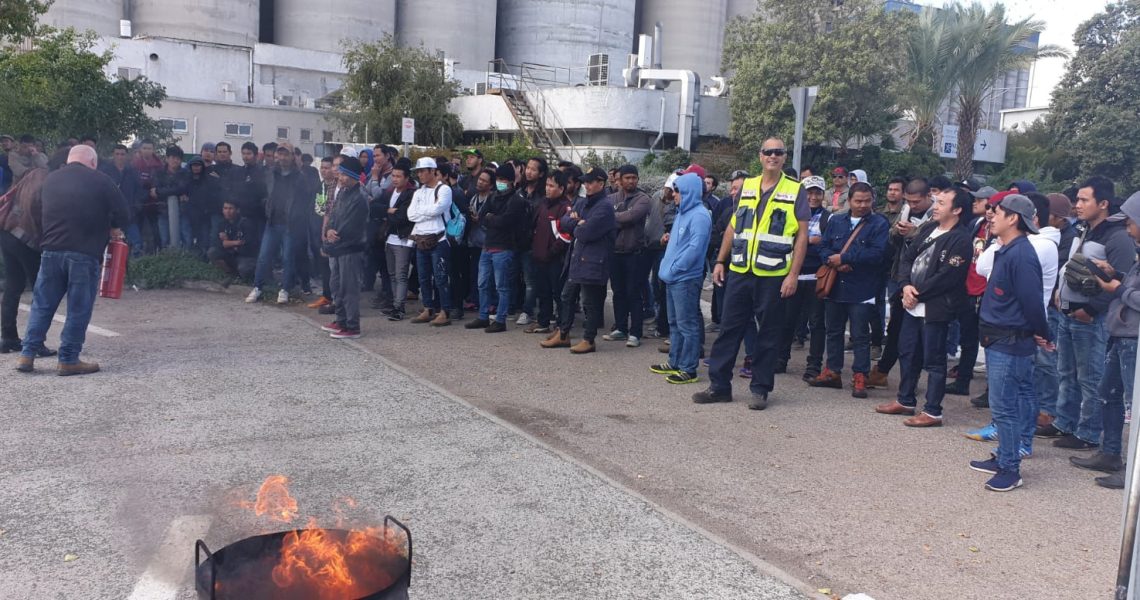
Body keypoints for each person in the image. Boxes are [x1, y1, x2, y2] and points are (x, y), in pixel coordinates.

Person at [693, 138, 809, 410]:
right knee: (728, 330)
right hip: (741, 270)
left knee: (768, 334)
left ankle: (760, 389)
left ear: (784, 157)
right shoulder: (748, 186)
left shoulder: (796, 189)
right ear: (760, 156)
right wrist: (720, 261)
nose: (773, 156)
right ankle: (719, 387)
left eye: (778, 152)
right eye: (768, 152)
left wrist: (793, 275)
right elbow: (734, 227)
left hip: (773, 273)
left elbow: (802, 236)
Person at [967, 194, 1054, 492]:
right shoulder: (1008, 249)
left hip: (1010, 340)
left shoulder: (1022, 254)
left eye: (998, 212)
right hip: (1000, 337)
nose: (991, 216)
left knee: (1005, 407)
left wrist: (1042, 332)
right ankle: (1004, 457)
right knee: (1005, 404)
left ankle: (1010, 468)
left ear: (1013, 218)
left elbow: (1032, 301)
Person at [1040, 176, 1134, 450]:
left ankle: (1088, 433)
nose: (1077, 205)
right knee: (1066, 372)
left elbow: (1121, 282)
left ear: (1103, 203)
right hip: (1068, 314)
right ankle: (1064, 422)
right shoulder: (1083, 229)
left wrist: (1091, 310)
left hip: (1093, 320)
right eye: (1077, 199)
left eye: (1084, 200)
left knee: (1090, 377)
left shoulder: (1117, 237)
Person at [15, 145, 128, 375]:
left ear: (69, 159)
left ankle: (27, 355)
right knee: (78, 307)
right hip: (84, 254)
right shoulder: (101, 180)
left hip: (51, 251)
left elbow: (34, 210)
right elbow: (123, 213)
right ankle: (68, 359)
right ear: (93, 162)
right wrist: (113, 226)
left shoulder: (50, 180)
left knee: (42, 305)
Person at [874, 187, 972, 427]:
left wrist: (917, 293)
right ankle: (905, 399)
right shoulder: (929, 228)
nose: (935, 207)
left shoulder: (961, 239)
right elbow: (908, 257)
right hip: (911, 304)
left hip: (935, 307)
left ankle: (932, 410)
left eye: (942, 203)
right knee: (908, 352)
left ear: (957, 209)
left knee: (934, 360)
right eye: (936, 202)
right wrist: (906, 286)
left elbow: (948, 276)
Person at [1069, 191, 1140, 488]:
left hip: (1133, 337)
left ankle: (1134, 471)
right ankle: (1110, 453)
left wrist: (1117, 288)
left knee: (1133, 405)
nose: (1127, 228)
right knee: (1108, 393)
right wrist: (1118, 275)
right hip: (1122, 334)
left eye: (1131, 221)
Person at [809, 182, 890, 397]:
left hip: (862, 288)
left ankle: (860, 375)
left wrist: (845, 258)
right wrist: (832, 260)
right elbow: (823, 246)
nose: (863, 205)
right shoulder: (836, 221)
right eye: (858, 201)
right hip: (835, 285)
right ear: (850, 201)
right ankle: (832, 372)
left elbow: (878, 254)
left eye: (867, 201)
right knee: (833, 331)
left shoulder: (879, 224)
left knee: (860, 335)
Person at [541, 167, 617, 354]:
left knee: (589, 302)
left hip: (593, 260)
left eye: (590, 182)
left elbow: (586, 233)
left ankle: (589, 339)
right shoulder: (583, 202)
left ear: (601, 183)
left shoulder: (605, 207)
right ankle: (563, 333)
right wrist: (577, 222)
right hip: (577, 257)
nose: (586, 185)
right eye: (585, 182)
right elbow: (564, 221)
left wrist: (577, 224)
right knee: (566, 296)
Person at [868, 178, 934, 388]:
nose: (912, 205)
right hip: (901, 277)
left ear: (928, 196)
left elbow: (935, 244)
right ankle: (882, 371)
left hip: (924, 282)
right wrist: (898, 231)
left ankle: (911, 380)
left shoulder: (936, 215)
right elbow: (892, 241)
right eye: (909, 201)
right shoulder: (905, 211)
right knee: (896, 328)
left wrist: (916, 233)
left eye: (916, 202)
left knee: (916, 337)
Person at [650, 172, 712, 384]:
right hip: (674, 277)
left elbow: (695, 249)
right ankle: (675, 361)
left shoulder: (700, 216)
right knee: (675, 323)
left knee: (687, 325)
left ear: (689, 192)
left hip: (685, 278)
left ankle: (689, 368)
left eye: (677, 191)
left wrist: (675, 268)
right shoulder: (683, 213)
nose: (674, 195)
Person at [1, 168, 56, 356]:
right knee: (40, 290)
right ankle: (36, 342)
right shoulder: (44, 180)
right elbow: (40, 217)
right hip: (27, 240)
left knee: (13, 287)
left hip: (7, 233)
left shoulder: (27, 178)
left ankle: (8, 337)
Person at [466, 163, 526, 333]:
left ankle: (500, 319)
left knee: (502, 286)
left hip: (504, 247)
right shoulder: (493, 196)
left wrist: (492, 218)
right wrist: (492, 218)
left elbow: (506, 221)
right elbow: (482, 217)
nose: (500, 182)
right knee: (482, 283)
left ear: (511, 181)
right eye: (498, 179)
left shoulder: (516, 200)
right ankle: (483, 316)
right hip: (488, 245)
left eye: (504, 179)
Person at [246, 145, 310, 304]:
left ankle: (285, 289)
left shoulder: (300, 177)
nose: (282, 158)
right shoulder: (270, 173)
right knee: (263, 257)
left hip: (290, 224)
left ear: (292, 156)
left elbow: (305, 201)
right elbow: (264, 192)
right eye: (280, 154)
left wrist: (297, 216)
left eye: (286, 154)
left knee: (288, 258)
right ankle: (257, 287)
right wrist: (266, 205)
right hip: (272, 222)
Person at [319, 156, 369, 339]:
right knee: (337, 286)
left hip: (351, 247)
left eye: (343, 174)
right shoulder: (343, 192)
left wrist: (335, 234)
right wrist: (328, 230)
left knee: (349, 288)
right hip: (337, 247)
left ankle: (352, 326)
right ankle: (341, 321)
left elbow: (352, 224)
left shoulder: (360, 197)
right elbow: (333, 214)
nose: (339, 177)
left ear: (352, 175)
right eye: (339, 174)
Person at [603, 164, 652, 347]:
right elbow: (604, 217)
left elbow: (632, 217)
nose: (631, 181)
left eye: (634, 178)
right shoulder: (610, 198)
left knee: (633, 293)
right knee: (618, 292)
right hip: (614, 252)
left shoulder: (643, 199)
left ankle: (635, 332)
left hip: (635, 253)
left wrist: (614, 217)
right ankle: (621, 328)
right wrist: (618, 217)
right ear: (620, 180)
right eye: (627, 178)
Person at [523, 171, 573, 334]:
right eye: (547, 185)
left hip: (556, 259)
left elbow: (566, 236)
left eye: (552, 186)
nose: (548, 188)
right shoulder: (542, 204)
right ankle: (543, 322)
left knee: (559, 293)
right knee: (543, 291)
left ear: (561, 188)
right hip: (539, 257)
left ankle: (562, 326)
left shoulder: (565, 208)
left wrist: (551, 252)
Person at [407, 157, 454, 326]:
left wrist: (421, 211)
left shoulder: (444, 189)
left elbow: (438, 209)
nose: (419, 174)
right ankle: (428, 308)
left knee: (441, 278)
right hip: (421, 239)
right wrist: (427, 211)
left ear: (432, 171)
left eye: (422, 171)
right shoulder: (418, 192)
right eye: (418, 171)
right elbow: (410, 214)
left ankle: (445, 311)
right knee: (423, 278)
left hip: (439, 238)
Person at [382, 160, 418, 322]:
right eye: (393, 176)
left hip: (403, 240)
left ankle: (399, 307)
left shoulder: (410, 194)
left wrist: (388, 214)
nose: (395, 179)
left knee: (401, 275)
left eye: (398, 176)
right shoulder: (389, 192)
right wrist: (388, 211)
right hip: (389, 238)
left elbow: (402, 217)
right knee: (392, 274)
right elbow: (375, 207)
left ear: (406, 178)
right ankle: (395, 303)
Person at [515, 156, 548, 325]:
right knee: (513, 277)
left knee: (530, 279)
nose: (528, 172)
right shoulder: (519, 191)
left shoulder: (543, 195)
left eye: (533, 169)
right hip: (516, 240)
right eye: (527, 168)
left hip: (532, 242)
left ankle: (528, 311)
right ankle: (512, 307)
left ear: (541, 174)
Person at [98, 144, 145, 254]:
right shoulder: (105, 171)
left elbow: (140, 190)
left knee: (136, 243)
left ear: (127, 156)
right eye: (117, 154)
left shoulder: (133, 171)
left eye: (122, 154)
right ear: (113, 155)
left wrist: (137, 206)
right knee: (110, 245)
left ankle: (136, 263)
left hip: (130, 214)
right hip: (110, 215)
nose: (120, 157)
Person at [207, 200, 258, 280]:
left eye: (230, 208)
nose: (227, 211)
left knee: (244, 269)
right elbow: (218, 243)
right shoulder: (222, 223)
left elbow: (247, 243)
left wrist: (228, 242)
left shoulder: (245, 223)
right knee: (212, 252)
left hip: (244, 256)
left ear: (237, 210)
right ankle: (231, 274)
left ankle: (244, 278)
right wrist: (235, 243)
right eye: (225, 208)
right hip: (230, 254)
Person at [152, 145, 190, 249]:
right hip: (162, 211)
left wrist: (160, 191)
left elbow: (182, 188)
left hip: (182, 211)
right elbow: (154, 191)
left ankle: (187, 258)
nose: (175, 161)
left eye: (178, 158)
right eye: (173, 157)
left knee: (186, 238)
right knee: (164, 239)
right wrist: (161, 191)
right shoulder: (158, 173)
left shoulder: (186, 173)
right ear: (167, 158)